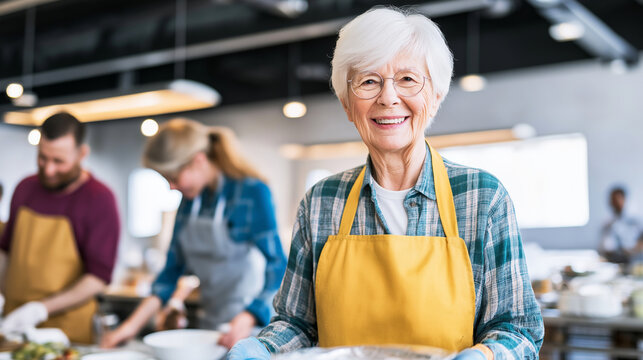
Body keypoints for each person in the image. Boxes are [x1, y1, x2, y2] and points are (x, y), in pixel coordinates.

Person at [229, 7, 544, 360]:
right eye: (368, 81)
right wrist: (261, 347)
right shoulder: (321, 202)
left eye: (408, 79)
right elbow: (298, 324)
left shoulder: (482, 198)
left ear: (435, 96)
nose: (388, 98)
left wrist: (485, 356)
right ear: (348, 105)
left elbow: (518, 329)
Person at [100, 118, 287, 349]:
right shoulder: (189, 203)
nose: (171, 187)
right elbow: (169, 274)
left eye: (173, 177)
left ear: (198, 161)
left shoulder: (251, 193)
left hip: (253, 328)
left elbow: (279, 265)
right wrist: (127, 329)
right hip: (211, 325)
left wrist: (250, 316)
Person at [0, 112, 120, 344]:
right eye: (43, 158)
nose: (49, 170)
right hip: (14, 324)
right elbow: (5, 251)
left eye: (59, 161)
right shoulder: (25, 188)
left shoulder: (99, 199)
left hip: (67, 332)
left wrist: (40, 309)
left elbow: (98, 277)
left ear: (82, 154)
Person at [599, 186, 642, 264]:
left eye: (618, 199)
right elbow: (604, 247)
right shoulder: (607, 223)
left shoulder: (635, 220)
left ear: (624, 199)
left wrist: (634, 250)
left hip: (635, 260)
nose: (615, 203)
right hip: (614, 261)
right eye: (613, 200)